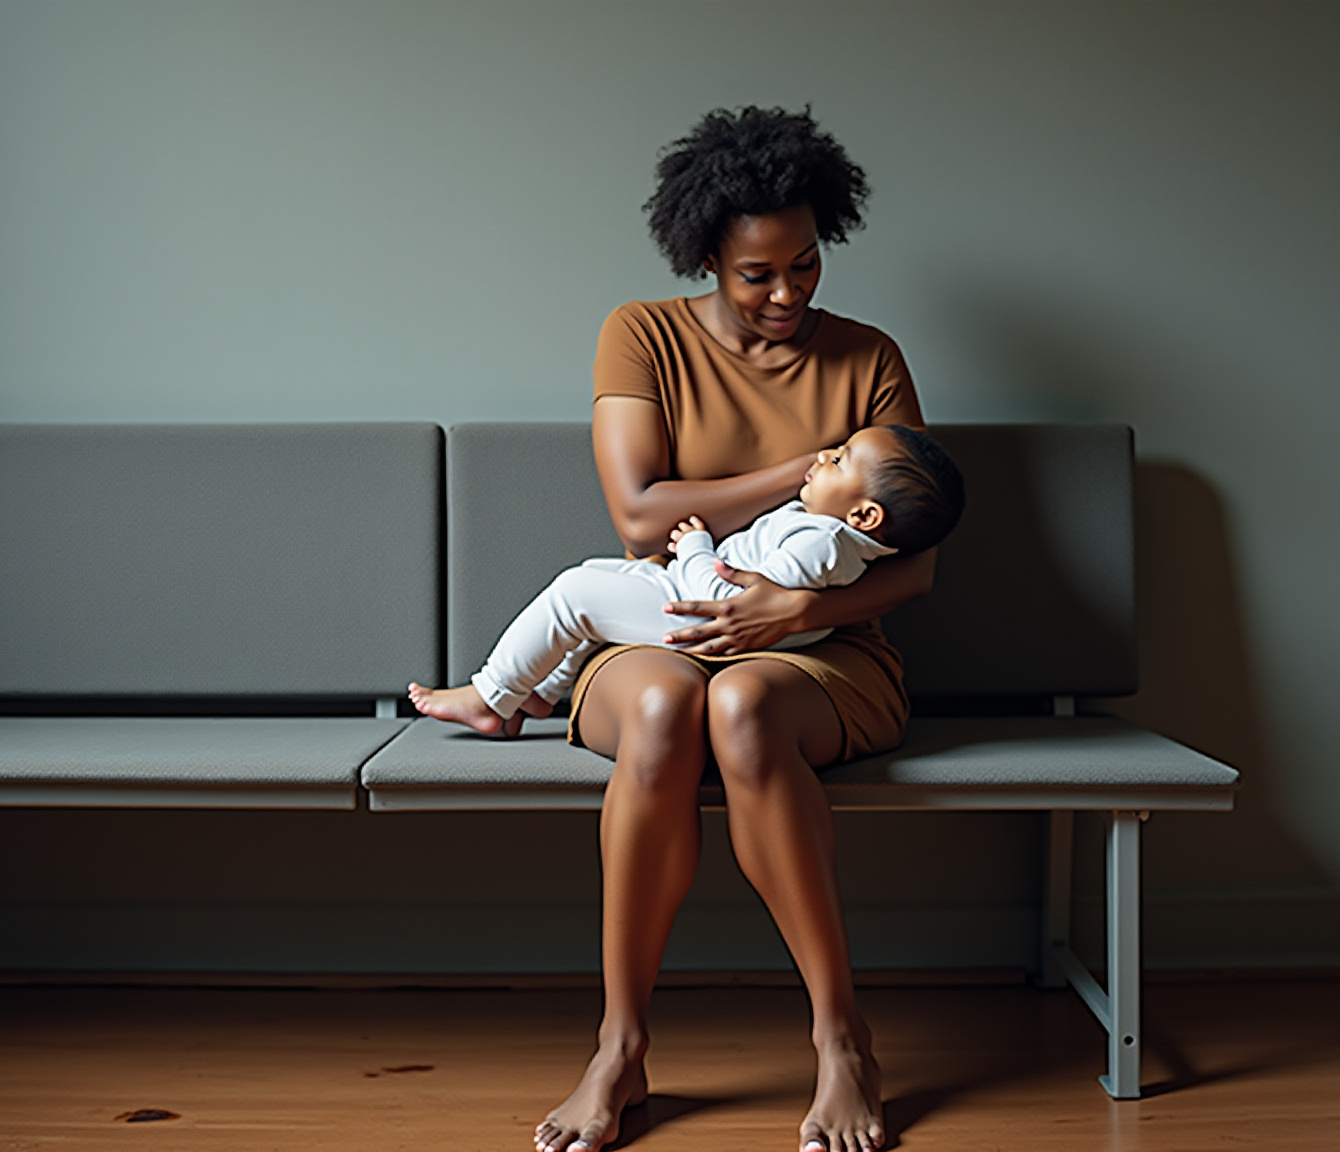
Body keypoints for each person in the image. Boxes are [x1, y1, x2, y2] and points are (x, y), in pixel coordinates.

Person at [533, 106, 939, 1152]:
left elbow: (917, 562)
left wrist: (801, 607)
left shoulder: (869, 357)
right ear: (707, 256)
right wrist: (809, 466)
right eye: (758, 274)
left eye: (805, 266)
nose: (787, 294)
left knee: (745, 704)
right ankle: (619, 1047)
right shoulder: (642, 335)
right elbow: (639, 516)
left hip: (825, 653)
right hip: (660, 627)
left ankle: (841, 1041)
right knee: (667, 709)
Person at [408, 425, 962, 739]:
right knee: (599, 576)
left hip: (701, 618)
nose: (821, 456)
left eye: (838, 460)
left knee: (575, 593)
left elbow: (730, 605)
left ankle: (491, 696)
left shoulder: (822, 543)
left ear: (864, 515)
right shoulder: (827, 533)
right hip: (688, 594)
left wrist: (696, 546)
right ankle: (539, 693)